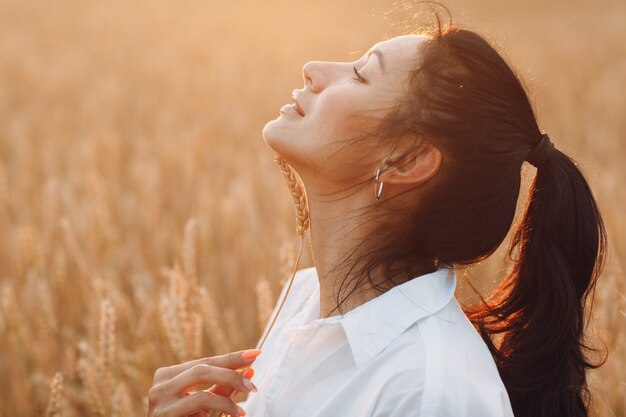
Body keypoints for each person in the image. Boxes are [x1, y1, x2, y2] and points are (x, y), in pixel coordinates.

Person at [146, 15, 607, 417]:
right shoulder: (305, 297)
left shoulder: (430, 395)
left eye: (361, 75)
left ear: (408, 161)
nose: (314, 69)